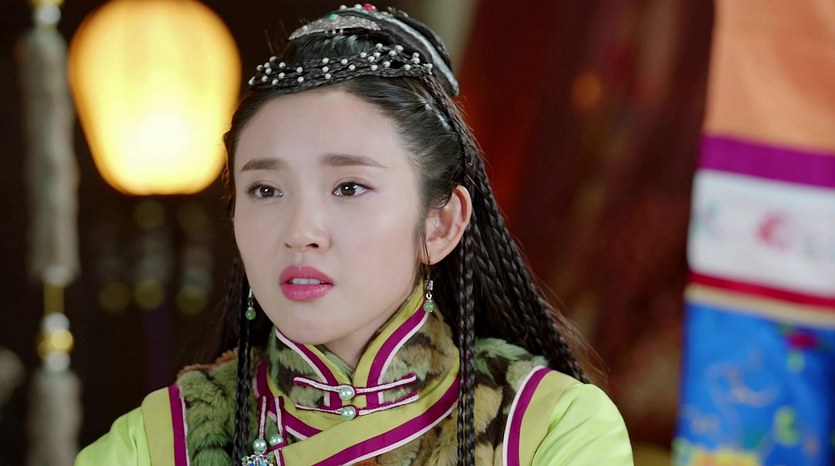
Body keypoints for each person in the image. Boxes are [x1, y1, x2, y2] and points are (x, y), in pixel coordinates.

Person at [75, 5, 633, 465]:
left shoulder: (544, 426)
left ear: (441, 223)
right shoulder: (164, 440)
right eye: (266, 190)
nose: (300, 232)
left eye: (349, 187)